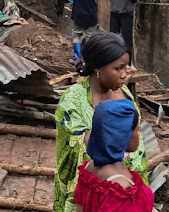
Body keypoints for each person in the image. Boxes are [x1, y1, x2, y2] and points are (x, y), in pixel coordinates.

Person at [54, 32, 148, 212]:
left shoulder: (125, 95)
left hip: (124, 187)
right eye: (118, 68)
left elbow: (135, 139)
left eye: (126, 67)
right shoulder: (72, 100)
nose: (124, 75)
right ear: (98, 68)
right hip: (91, 190)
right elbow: (75, 147)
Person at [74, 99, 154, 212]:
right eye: (137, 130)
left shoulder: (89, 170)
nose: (138, 135)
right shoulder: (123, 192)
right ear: (122, 136)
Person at [69, 0, 101, 65]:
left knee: (76, 35)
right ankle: (87, 60)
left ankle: (77, 59)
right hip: (91, 15)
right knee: (89, 37)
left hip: (78, 14)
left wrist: (71, 2)